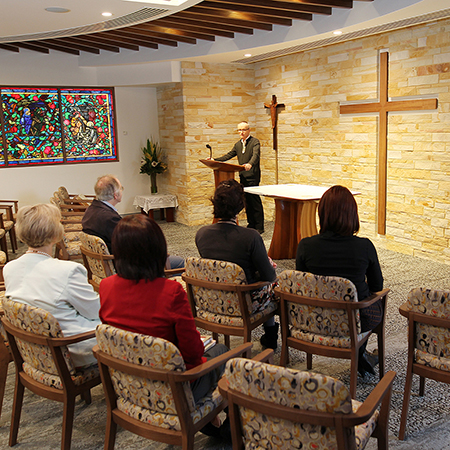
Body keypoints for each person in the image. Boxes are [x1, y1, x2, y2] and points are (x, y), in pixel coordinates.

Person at [99, 214, 229, 437]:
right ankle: (224, 428)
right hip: (173, 390)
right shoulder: (171, 292)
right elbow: (193, 354)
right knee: (225, 354)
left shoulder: (106, 286)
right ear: (158, 249)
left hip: (128, 386)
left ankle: (210, 420)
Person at [296, 185, 383, 377]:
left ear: (322, 213)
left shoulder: (306, 246)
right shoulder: (364, 246)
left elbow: (302, 284)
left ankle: (362, 355)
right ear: (352, 214)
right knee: (369, 303)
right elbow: (378, 287)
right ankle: (360, 353)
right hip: (356, 320)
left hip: (315, 319)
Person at [3, 203, 101, 368]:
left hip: (34, 350)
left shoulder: (10, 268)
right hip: (71, 349)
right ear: (56, 234)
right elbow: (95, 311)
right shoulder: (68, 271)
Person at [195, 179, 279, 349]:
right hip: (244, 304)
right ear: (241, 205)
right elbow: (269, 277)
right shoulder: (251, 236)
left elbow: (217, 268)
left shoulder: (201, 234)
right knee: (276, 285)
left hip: (211, 300)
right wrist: (264, 266)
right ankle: (271, 337)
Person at [82, 174, 184, 269]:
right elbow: (131, 246)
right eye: (121, 188)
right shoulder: (109, 218)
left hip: (104, 263)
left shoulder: (91, 210)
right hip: (125, 266)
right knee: (180, 262)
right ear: (115, 195)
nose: (122, 191)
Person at [212, 121, 265, 233]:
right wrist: (215, 160)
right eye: (239, 130)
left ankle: (259, 226)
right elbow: (229, 155)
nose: (241, 132)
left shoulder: (255, 142)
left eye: (244, 130)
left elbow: (255, 155)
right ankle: (251, 224)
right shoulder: (238, 144)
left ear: (249, 130)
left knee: (254, 201)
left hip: (252, 175)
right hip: (243, 175)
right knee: (246, 202)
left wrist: (250, 164)